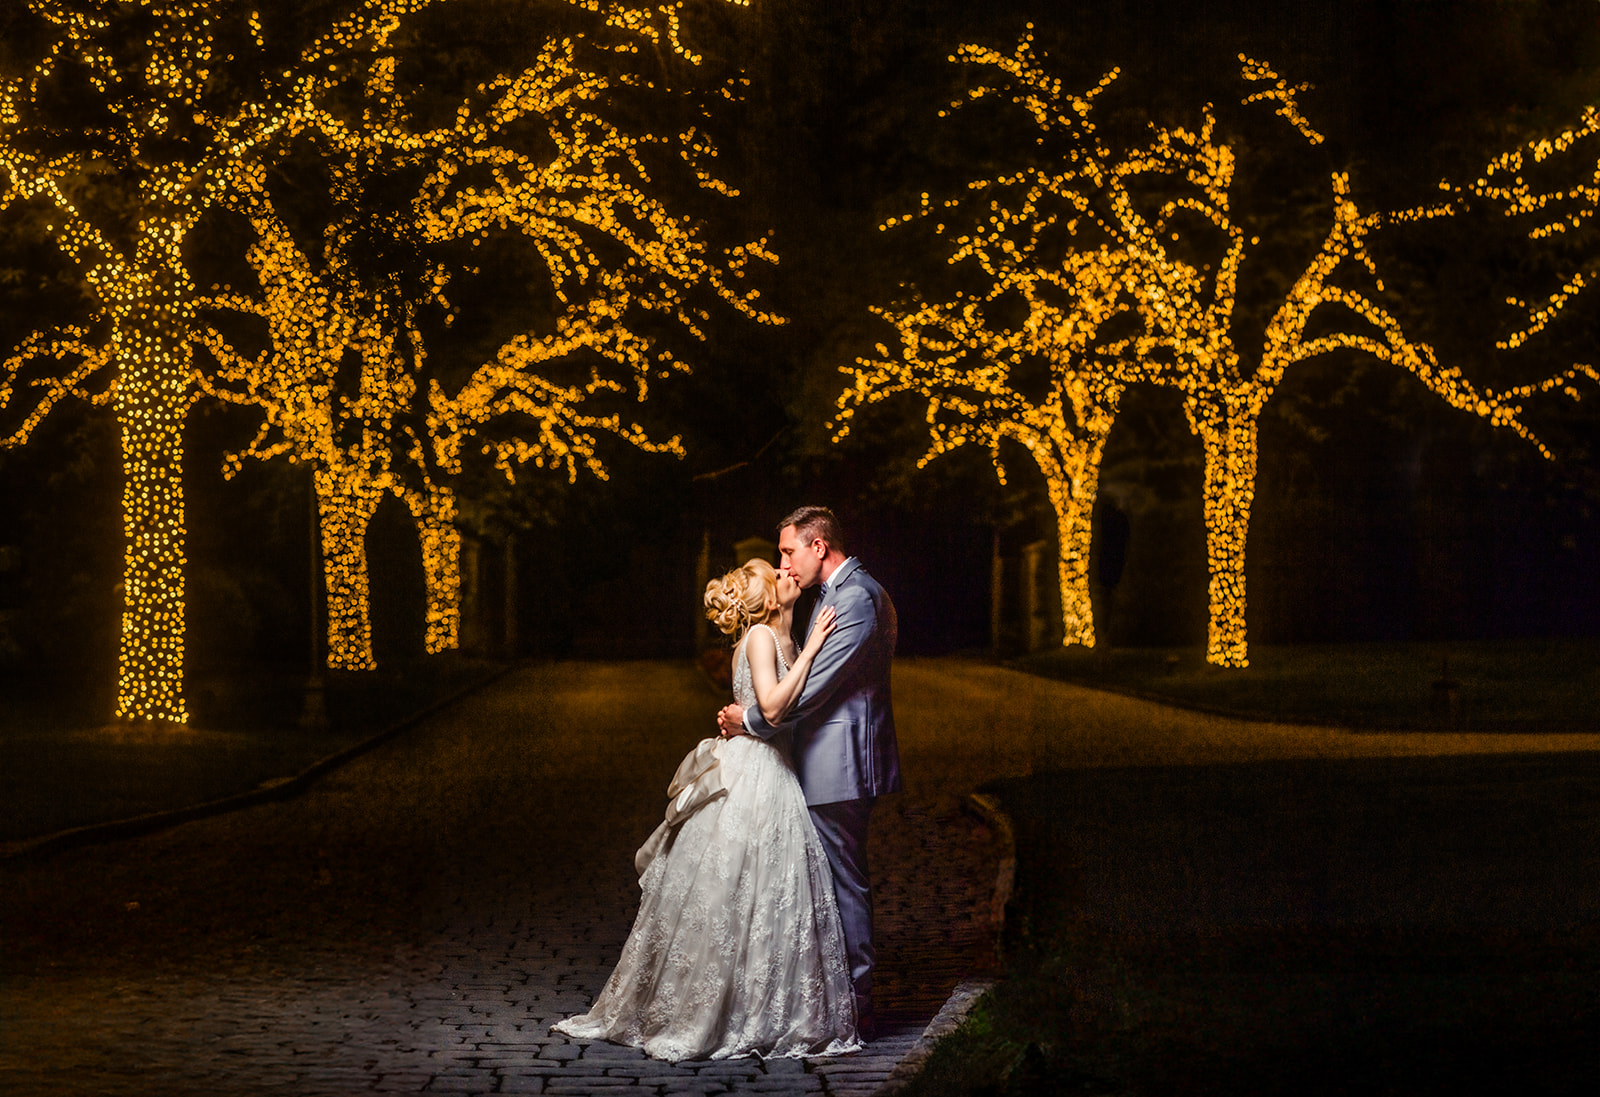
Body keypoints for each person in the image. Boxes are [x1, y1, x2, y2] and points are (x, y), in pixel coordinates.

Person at [551, 558, 861, 1061]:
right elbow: (776, 706)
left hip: (775, 769)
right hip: (754, 773)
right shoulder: (761, 637)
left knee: (768, 893)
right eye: (773, 570)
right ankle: (711, 1010)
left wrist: (772, 693)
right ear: (762, 595)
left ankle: (763, 1007)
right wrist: (811, 655)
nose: (785, 571)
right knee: (733, 889)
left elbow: (782, 714)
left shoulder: (785, 637)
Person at [717, 506, 900, 1041]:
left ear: (818, 546)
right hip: (822, 763)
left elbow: (811, 689)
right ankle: (826, 999)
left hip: (840, 765)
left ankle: (856, 1009)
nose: (784, 564)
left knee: (844, 885)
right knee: (819, 886)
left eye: (788, 551)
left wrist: (750, 720)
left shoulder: (856, 600)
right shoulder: (838, 597)